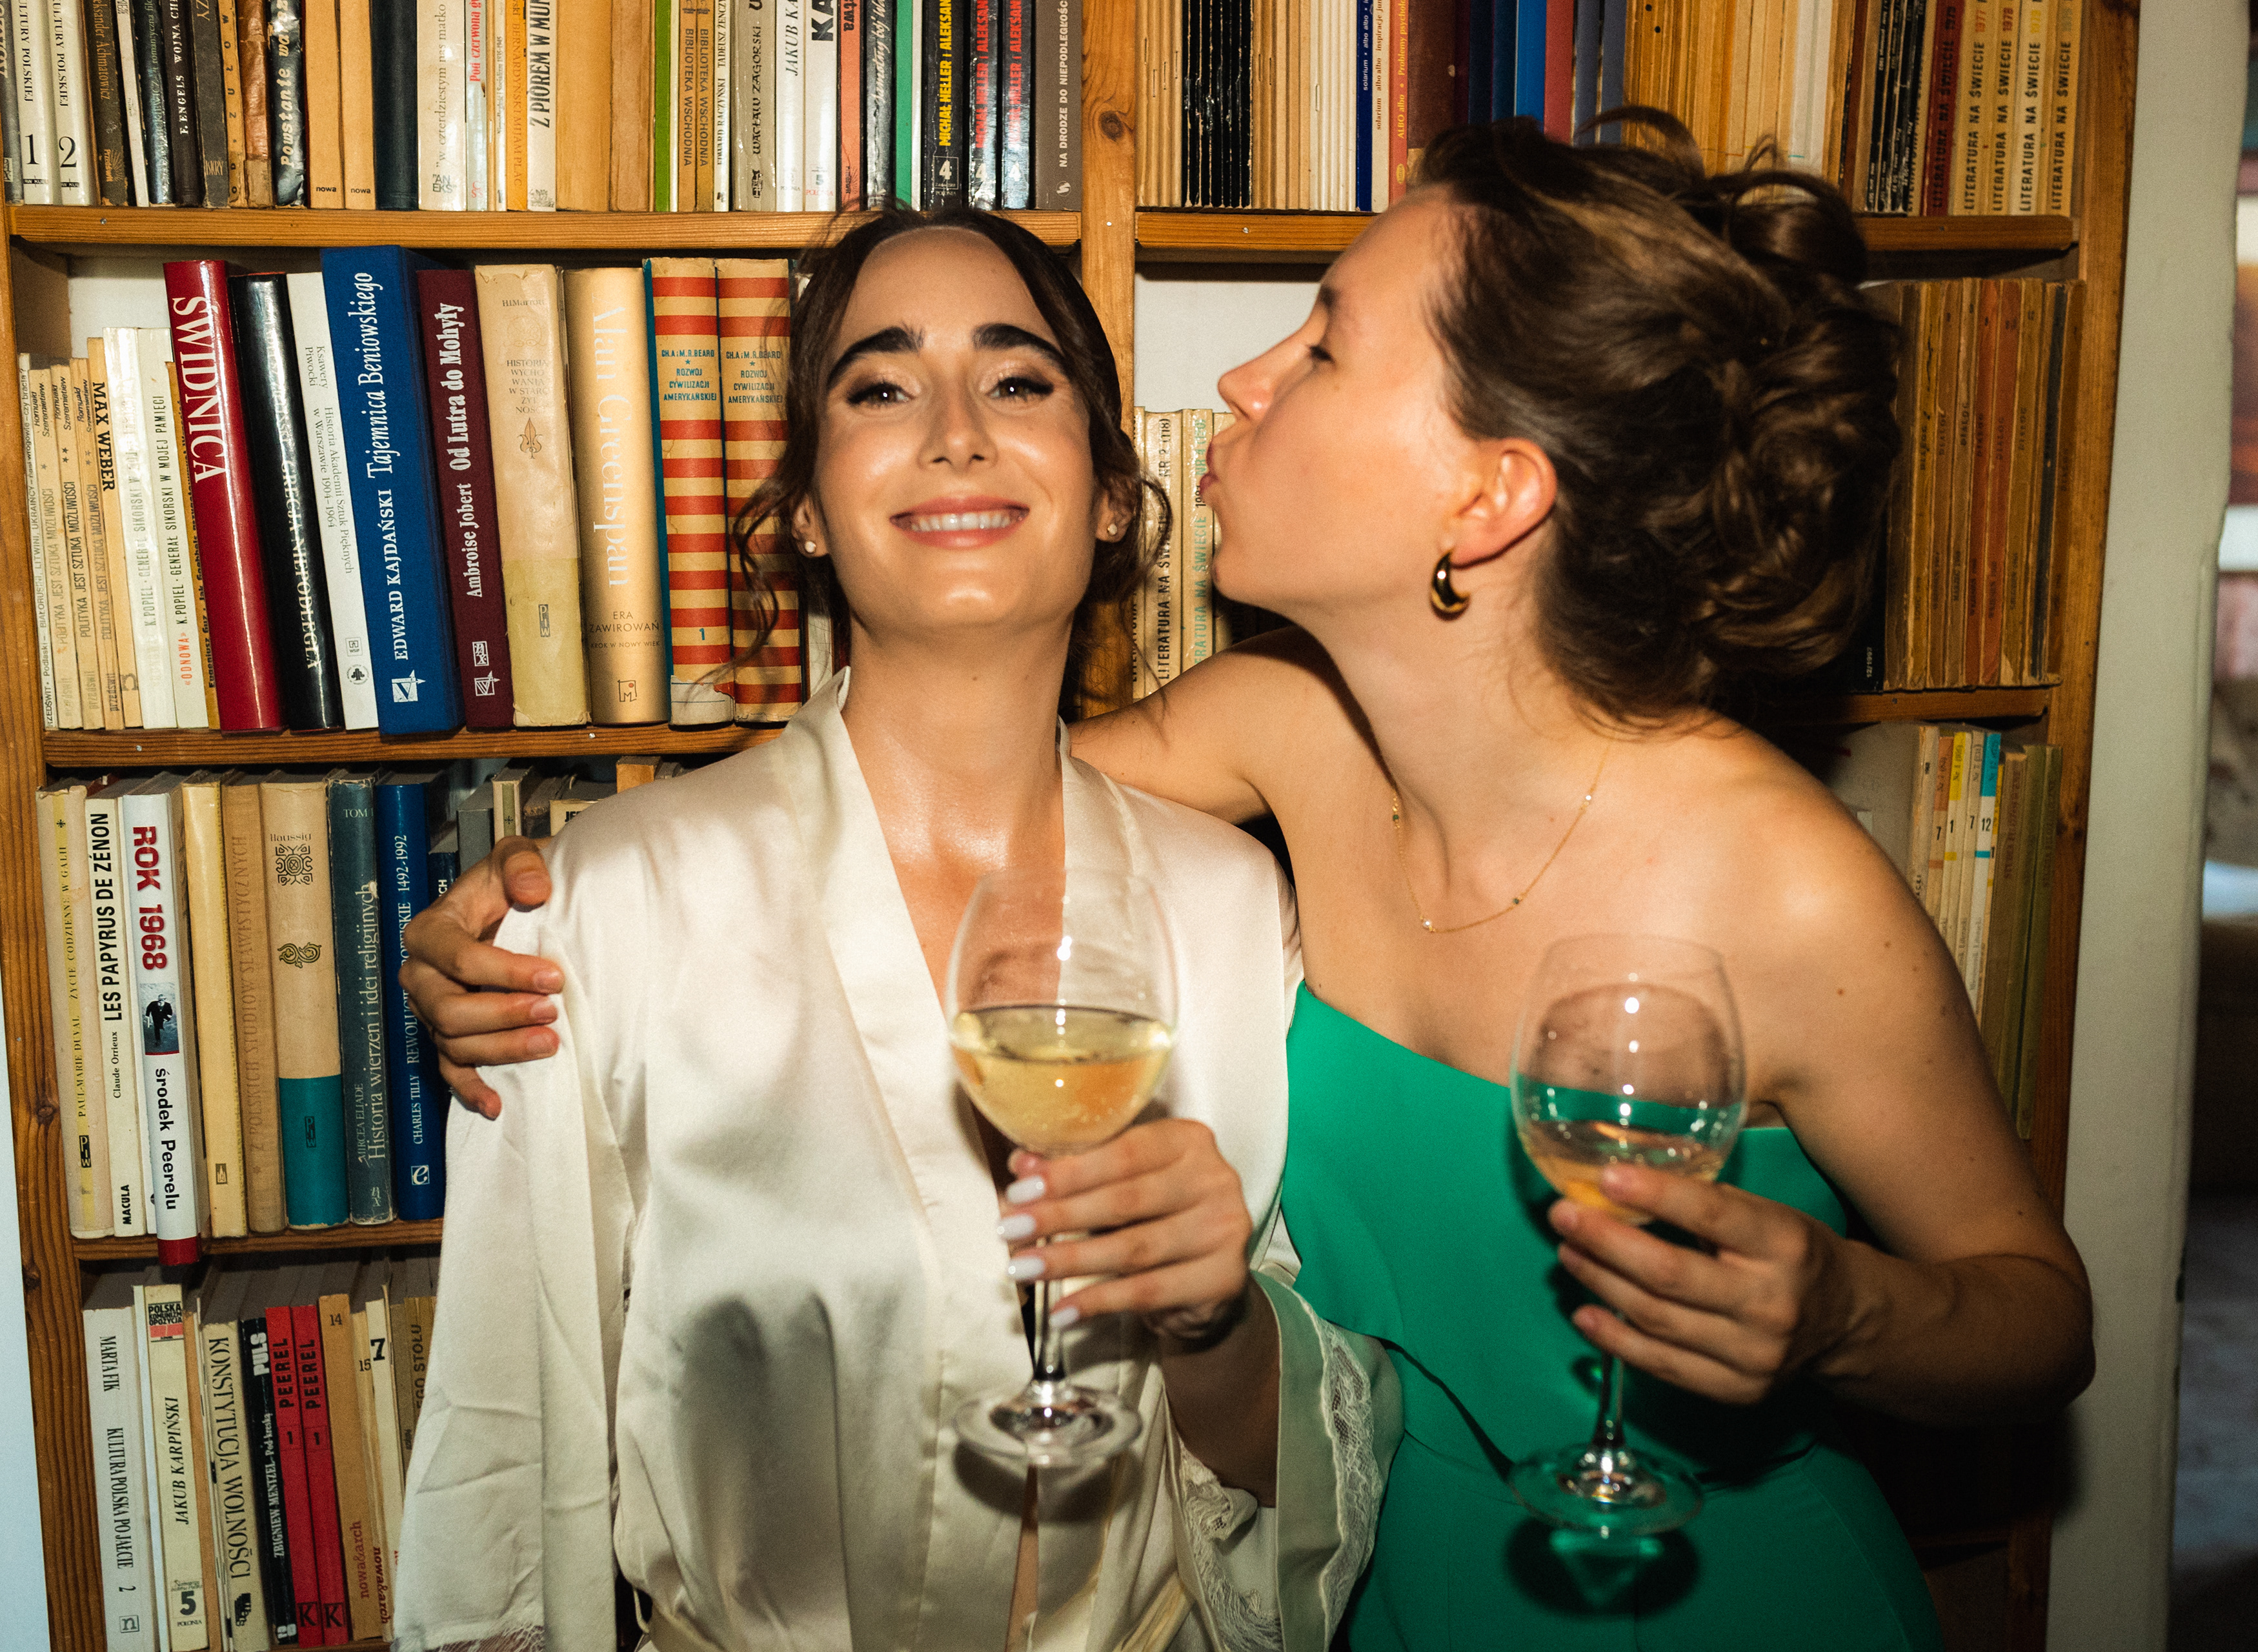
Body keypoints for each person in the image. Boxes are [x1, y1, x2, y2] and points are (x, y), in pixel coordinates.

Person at [408, 114, 2094, 1647]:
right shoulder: (1287, 736)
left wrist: (1842, 1314)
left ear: (1490, 495)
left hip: (1708, 1593)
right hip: (1387, 1583)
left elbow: (2042, 1322)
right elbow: (942, 787)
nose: (1241, 378)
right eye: (880, 389)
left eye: (1324, 346)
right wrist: (573, 889)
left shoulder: (1783, 884)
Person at [388, 207, 1395, 1652]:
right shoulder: (603, 906)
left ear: (1112, 496)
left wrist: (1214, 1320)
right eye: (880, 387)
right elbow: (510, 1441)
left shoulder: (1238, 909)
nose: (956, 433)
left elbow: (1292, 1477)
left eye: (1018, 379)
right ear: (807, 507)